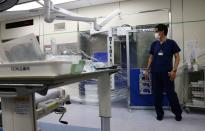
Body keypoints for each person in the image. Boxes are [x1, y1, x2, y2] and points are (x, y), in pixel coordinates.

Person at [145, 24, 182, 121]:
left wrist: (174, 70)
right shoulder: (154, 44)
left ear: (162, 32)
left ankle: (177, 113)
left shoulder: (171, 43)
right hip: (155, 73)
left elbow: (177, 57)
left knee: (171, 94)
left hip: (167, 73)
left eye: (156, 31)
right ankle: (159, 113)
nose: (155, 33)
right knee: (157, 94)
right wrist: (147, 69)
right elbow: (151, 57)